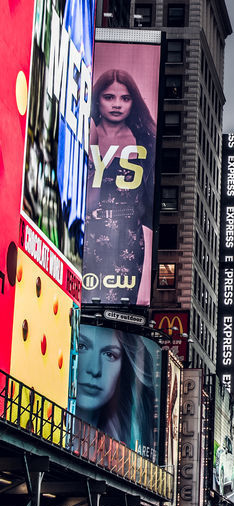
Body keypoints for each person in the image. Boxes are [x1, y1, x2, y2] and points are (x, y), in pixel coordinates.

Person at [85, 69, 157, 306]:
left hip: (128, 239)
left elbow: (149, 208)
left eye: (124, 98)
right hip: (88, 233)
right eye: (109, 97)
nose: (117, 104)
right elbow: (86, 198)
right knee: (80, 303)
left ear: (133, 102)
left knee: (121, 311)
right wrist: (91, 146)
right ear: (98, 99)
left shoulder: (146, 140)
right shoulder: (86, 133)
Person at [76, 325, 157, 459]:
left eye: (110, 355)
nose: (95, 369)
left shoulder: (126, 450)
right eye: (81, 346)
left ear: (123, 369)